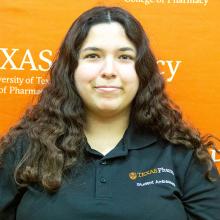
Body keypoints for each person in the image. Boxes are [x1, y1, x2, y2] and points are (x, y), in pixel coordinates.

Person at [0, 6, 220, 220]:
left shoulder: (183, 155)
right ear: (71, 70)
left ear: (142, 72)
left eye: (124, 57)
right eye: (93, 56)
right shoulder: (24, 149)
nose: (108, 71)